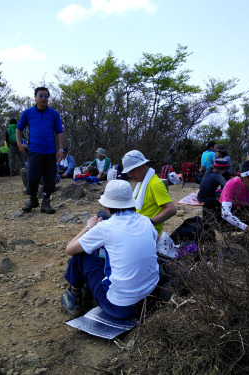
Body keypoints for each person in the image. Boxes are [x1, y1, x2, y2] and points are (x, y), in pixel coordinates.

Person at [60, 180, 159, 319]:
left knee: (81, 255)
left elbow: (70, 249)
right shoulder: (146, 221)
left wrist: (89, 227)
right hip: (150, 296)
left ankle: (73, 297)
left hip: (120, 307)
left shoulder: (105, 228)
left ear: (107, 207)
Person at [17, 87, 64, 214]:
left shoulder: (54, 114)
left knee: (50, 176)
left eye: (46, 96)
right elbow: (19, 128)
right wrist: (19, 144)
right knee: (32, 175)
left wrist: (60, 149)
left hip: (49, 151)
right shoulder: (28, 113)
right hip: (33, 150)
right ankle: (33, 200)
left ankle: (46, 202)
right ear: (35, 97)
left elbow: (59, 132)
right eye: (41, 96)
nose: (44, 98)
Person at [203, 160, 249, 235]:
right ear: (245, 178)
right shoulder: (232, 184)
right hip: (229, 218)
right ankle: (208, 238)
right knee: (209, 202)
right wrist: (246, 227)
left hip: (245, 214)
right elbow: (225, 213)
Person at [122, 150, 177, 234]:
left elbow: (171, 209)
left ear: (143, 166)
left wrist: (149, 223)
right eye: (128, 172)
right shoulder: (143, 181)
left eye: (132, 170)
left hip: (146, 231)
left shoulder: (155, 184)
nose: (130, 175)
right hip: (136, 223)